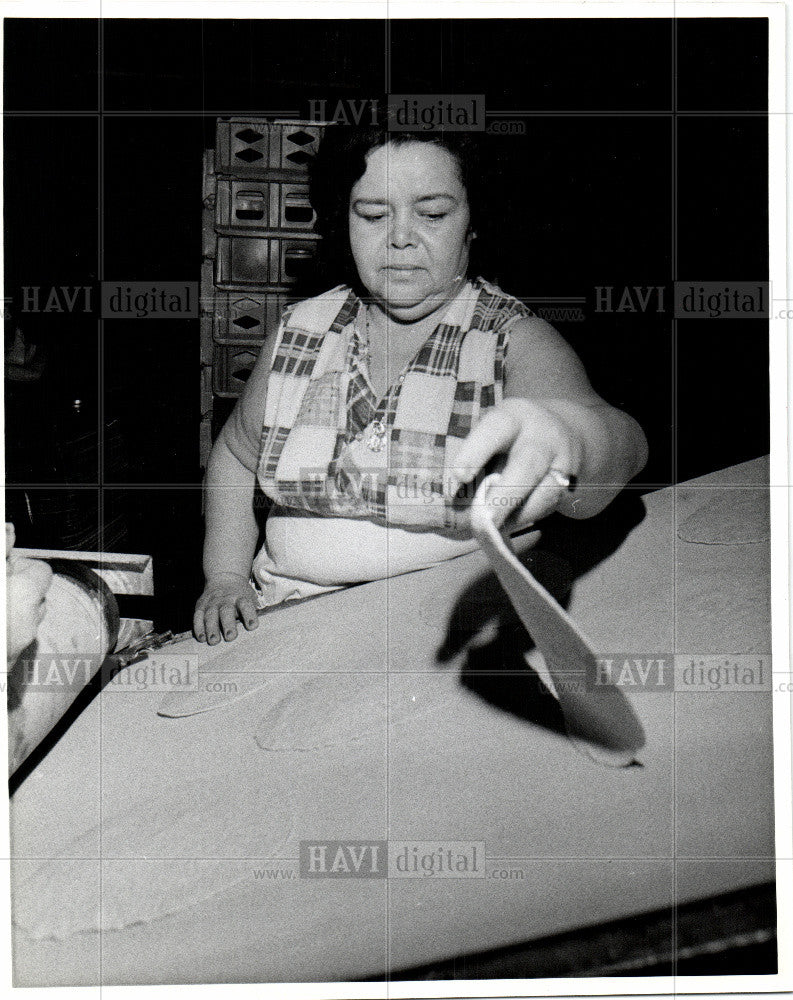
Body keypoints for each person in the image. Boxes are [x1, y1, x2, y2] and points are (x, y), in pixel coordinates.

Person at [194, 122, 648, 645]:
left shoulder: (512, 340)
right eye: (372, 214)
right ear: (344, 220)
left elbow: (622, 444)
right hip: (293, 620)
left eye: (432, 214)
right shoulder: (302, 330)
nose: (400, 236)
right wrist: (224, 577)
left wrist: (572, 437)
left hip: (451, 633)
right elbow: (234, 453)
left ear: (473, 224)